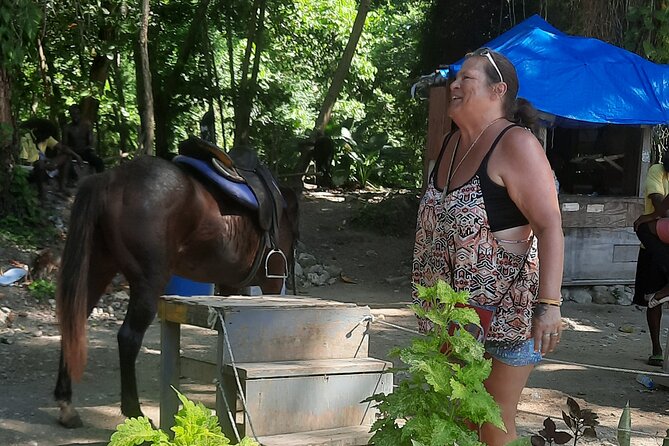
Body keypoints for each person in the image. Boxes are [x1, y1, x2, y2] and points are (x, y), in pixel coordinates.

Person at [412, 48, 564, 445]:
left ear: (498, 90)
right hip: (454, 316)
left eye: (466, 78)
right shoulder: (450, 144)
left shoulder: (516, 145)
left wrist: (549, 307)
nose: (454, 85)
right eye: (454, 78)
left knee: (491, 421)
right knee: (457, 420)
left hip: (504, 316)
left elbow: (550, 228)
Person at [632, 153, 669, 367]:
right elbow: (659, 205)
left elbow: (659, 211)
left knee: (643, 227)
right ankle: (656, 348)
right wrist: (656, 214)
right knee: (653, 299)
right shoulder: (657, 171)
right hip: (655, 246)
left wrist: (651, 216)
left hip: (658, 235)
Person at [20, 118, 83, 198]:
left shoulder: (46, 137)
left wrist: (76, 156)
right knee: (39, 165)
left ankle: (62, 188)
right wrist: (45, 163)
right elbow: (25, 162)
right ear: (36, 131)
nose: (45, 139)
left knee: (66, 156)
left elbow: (63, 148)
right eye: (44, 136)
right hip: (31, 170)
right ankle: (42, 195)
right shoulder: (25, 139)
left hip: (45, 165)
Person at [62, 104, 104, 173]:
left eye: (77, 113)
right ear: (70, 115)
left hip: (85, 152)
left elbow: (91, 142)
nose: (75, 116)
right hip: (73, 153)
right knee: (66, 163)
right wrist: (73, 153)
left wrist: (90, 149)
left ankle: (101, 180)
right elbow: (64, 145)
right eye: (73, 114)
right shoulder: (67, 128)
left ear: (80, 114)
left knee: (99, 162)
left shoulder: (87, 125)